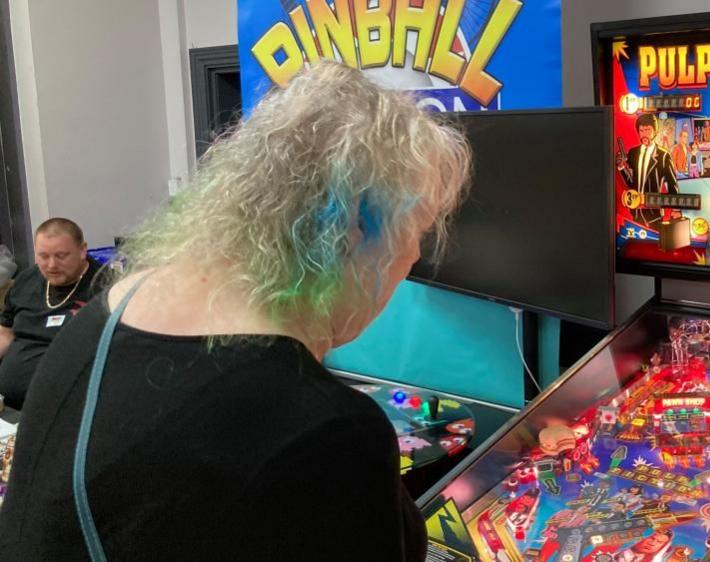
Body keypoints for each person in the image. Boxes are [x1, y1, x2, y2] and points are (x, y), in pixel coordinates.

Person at [0, 63, 469, 560]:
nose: (416, 255)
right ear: (350, 229)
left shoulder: (112, 308)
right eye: (417, 229)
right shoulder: (328, 430)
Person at [0, 218, 100, 410]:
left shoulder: (105, 288)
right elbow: (5, 334)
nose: (51, 265)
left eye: (61, 256)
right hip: (9, 408)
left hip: (65, 409)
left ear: (82, 250)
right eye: (43, 256)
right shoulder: (26, 280)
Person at [617, 113, 680, 227]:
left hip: (654, 212)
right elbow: (631, 183)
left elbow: (672, 184)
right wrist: (621, 168)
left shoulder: (663, 155)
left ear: (655, 131)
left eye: (647, 130)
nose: (644, 134)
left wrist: (676, 209)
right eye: (641, 131)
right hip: (635, 211)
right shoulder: (633, 152)